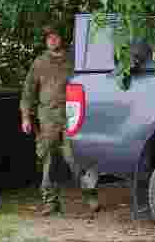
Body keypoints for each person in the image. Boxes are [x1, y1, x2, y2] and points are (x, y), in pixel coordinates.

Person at [20, 24, 100, 218]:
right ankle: (50, 202)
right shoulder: (39, 63)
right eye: (49, 38)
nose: (52, 40)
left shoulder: (73, 61)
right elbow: (28, 91)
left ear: (61, 39)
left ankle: (91, 196)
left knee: (78, 157)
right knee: (48, 160)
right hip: (47, 118)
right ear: (45, 41)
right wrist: (25, 116)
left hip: (73, 116)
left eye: (55, 36)